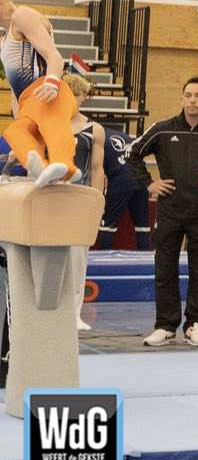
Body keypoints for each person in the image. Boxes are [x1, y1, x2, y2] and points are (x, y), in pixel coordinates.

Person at [129, 77, 198, 348]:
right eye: (188, 95)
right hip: (169, 211)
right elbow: (132, 155)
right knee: (164, 267)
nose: (193, 100)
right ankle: (165, 326)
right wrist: (149, 183)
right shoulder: (163, 129)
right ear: (182, 98)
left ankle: (195, 325)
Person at [0, 0, 73, 180]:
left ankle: (61, 166)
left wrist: (51, 83)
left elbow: (55, 57)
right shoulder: (3, 41)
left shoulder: (22, 16)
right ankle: (42, 166)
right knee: (14, 136)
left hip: (46, 98)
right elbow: (17, 96)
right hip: (30, 109)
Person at [63, 72, 105, 330]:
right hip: (51, 198)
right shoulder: (49, 124)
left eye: (76, 97)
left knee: (78, 259)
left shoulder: (94, 130)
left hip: (80, 199)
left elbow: (98, 168)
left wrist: (96, 202)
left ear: (83, 99)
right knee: (51, 256)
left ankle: (74, 312)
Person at [95, 113, 150, 250]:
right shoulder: (119, 135)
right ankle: (145, 258)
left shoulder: (96, 137)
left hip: (122, 178)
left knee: (107, 222)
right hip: (140, 176)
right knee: (142, 225)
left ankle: (102, 257)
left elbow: (95, 169)